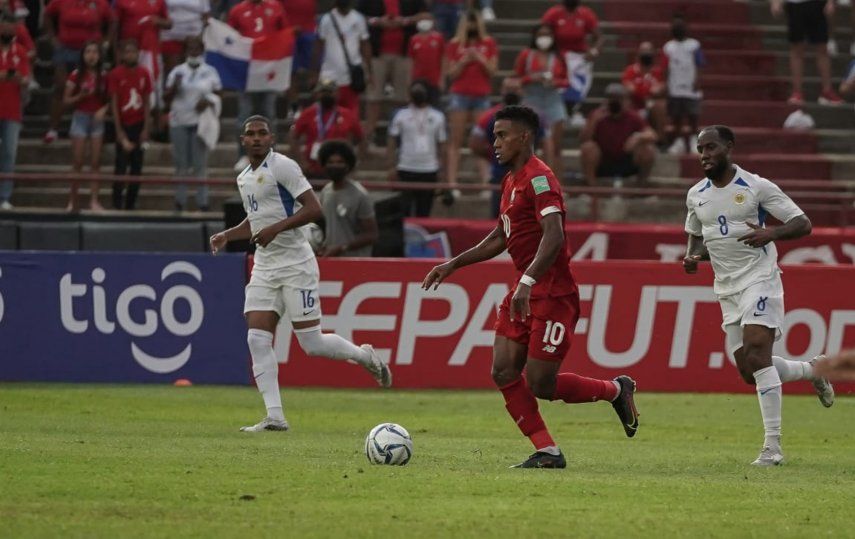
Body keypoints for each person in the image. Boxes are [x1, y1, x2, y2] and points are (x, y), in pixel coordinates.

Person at [422, 106, 640, 469]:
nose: (495, 143)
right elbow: (501, 237)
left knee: (541, 383)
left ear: (524, 137)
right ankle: (548, 451)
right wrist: (453, 264)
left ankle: (616, 390)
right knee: (503, 370)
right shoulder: (510, 180)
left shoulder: (541, 179)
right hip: (525, 289)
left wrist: (526, 281)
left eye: (502, 135)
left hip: (553, 294)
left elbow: (554, 236)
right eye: (494, 135)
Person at [209, 115, 391, 432]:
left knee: (312, 344)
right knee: (256, 338)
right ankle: (275, 416)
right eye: (249, 134)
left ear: (271, 139)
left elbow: (313, 208)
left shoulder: (283, 166)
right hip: (265, 265)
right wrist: (228, 235)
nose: (255, 138)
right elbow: (257, 220)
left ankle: (364, 356)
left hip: (295, 263)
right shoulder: (244, 178)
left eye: (261, 133)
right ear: (242, 140)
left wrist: (275, 230)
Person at [683, 125, 834, 466]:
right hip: (727, 288)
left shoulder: (756, 186)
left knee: (757, 352)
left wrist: (773, 233)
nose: (705, 155)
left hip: (760, 279)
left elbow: (803, 222)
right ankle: (813, 370)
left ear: (729, 148)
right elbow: (696, 234)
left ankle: (773, 448)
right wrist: (693, 257)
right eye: (700, 149)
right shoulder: (696, 194)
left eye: (711, 147)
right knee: (749, 370)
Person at [469, 79, 552, 217]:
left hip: (532, 174)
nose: (512, 92)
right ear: (502, 91)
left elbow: (548, 144)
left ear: (521, 91)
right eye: (508, 89)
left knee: (534, 216)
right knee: (501, 218)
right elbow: (475, 144)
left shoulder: (535, 117)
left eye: (515, 89)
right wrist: (493, 155)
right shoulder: (490, 116)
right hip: (501, 176)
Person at [42, 0, 114, 144]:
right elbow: (47, 15)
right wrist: (52, 37)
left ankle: (93, 128)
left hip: (92, 50)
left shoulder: (101, 3)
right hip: (66, 48)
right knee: (61, 87)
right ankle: (53, 129)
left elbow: (112, 21)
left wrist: (106, 42)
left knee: (97, 88)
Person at [228, 0, 287, 172]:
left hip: (269, 69)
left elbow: (284, 34)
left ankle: (271, 156)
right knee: (244, 115)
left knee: (269, 114)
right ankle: (243, 155)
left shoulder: (275, 7)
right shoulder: (237, 10)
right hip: (247, 70)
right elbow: (229, 37)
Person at [164, 35, 222, 212]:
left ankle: (202, 203)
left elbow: (220, 94)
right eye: (190, 48)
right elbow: (165, 98)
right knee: (181, 165)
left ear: (202, 50)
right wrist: (175, 86)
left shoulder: (210, 71)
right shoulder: (177, 71)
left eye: (196, 48)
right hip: (179, 121)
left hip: (200, 123)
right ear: (185, 51)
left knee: (200, 165)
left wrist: (208, 99)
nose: (193, 52)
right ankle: (179, 202)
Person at [358, 0, 426, 139]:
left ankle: (402, 139)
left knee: (403, 98)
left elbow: (426, 16)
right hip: (376, 55)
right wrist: (377, 21)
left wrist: (405, 21)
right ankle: (367, 140)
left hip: (404, 54)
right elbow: (357, 16)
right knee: (373, 99)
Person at [444, 9, 497, 187]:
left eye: (475, 23)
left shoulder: (488, 43)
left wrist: (480, 59)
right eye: (469, 23)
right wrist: (464, 61)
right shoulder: (454, 44)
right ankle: (452, 182)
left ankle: (485, 182)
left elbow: (492, 71)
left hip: (481, 95)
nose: (472, 27)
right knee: (456, 140)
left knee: (484, 140)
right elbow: (451, 73)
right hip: (459, 95)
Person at [514, 24, 568, 180]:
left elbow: (566, 81)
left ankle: (555, 182)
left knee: (555, 145)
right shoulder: (526, 55)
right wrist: (532, 78)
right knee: (530, 144)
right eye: (541, 34)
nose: (544, 38)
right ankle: (528, 181)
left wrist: (555, 82)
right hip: (532, 97)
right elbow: (517, 78)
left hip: (552, 97)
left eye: (548, 34)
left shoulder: (559, 56)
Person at [387, 79, 447, 217]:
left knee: (424, 211)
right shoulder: (400, 115)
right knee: (404, 211)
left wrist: (442, 171)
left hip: (429, 169)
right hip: (406, 168)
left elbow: (442, 145)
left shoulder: (438, 116)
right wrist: (391, 166)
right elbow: (391, 142)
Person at [579, 83, 657, 187]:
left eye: (619, 99)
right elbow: (583, 140)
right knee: (588, 148)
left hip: (626, 160)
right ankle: (593, 189)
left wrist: (638, 137)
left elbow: (652, 135)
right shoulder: (597, 116)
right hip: (603, 161)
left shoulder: (633, 116)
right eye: (612, 98)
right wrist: (593, 123)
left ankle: (640, 187)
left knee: (648, 150)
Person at [64, 41, 109, 212]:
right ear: (83, 56)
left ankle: (94, 200)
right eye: (88, 52)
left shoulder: (104, 76)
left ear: (99, 56)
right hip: (80, 117)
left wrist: (104, 110)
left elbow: (112, 100)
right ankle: (72, 200)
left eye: (95, 52)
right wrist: (80, 96)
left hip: (97, 119)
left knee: (96, 162)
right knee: (78, 161)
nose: (91, 56)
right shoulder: (76, 75)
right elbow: (66, 100)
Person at [540, 0, 602, 126]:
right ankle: (557, 112)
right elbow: (542, 33)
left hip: (579, 57)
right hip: (558, 56)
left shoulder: (586, 14)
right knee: (558, 85)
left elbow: (599, 37)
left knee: (578, 86)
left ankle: (571, 111)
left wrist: (594, 51)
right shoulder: (553, 13)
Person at [290, 79, 366, 178]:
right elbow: (293, 137)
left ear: (337, 94)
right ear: (316, 94)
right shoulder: (307, 113)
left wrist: (355, 162)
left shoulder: (347, 114)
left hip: (340, 170)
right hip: (312, 169)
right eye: (323, 92)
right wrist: (302, 162)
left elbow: (362, 139)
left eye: (330, 92)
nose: (327, 95)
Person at [109, 39, 153, 210]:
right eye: (127, 52)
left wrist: (146, 128)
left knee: (137, 168)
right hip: (123, 125)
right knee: (120, 166)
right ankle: (117, 204)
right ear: (122, 55)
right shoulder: (116, 74)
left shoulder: (144, 73)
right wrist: (119, 133)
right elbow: (114, 104)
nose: (130, 55)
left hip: (139, 124)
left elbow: (148, 102)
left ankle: (131, 203)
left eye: (133, 52)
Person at [771, 0, 843, 105]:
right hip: (795, 4)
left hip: (817, 4)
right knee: (796, 48)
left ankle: (827, 91)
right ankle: (797, 92)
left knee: (822, 47)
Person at [317, 140, 378, 257]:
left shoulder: (360, 195)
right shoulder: (326, 191)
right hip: (331, 259)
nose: (335, 166)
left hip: (356, 261)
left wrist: (342, 247)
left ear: (348, 165)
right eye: (330, 162)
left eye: (340, 162)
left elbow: (372, 234)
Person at [314, 0, 372, 117]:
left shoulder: (358, 18)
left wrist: (369, 70)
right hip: (329, 74)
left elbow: (365, 44)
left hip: (351, 75)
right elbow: (319, 45)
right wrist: (314, 70)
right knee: (326, 112)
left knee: (351, 114)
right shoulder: (326, 19)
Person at [662, 16, 704, 155]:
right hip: (675, 87)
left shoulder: (694, 45)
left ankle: (694, 141)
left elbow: (699, 64)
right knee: (676, 117)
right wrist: (667, 85)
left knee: (693, 116)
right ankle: (679, 142)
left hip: (690, 87)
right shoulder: (668, 47)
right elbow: (665, 67)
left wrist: (697, 81)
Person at [0, 11, 28, 211]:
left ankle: (4, 197)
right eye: (5, 27)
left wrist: (19, 78)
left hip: (12, 111)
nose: (8, 30)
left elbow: (26, 79)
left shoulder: (20, 52)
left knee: (9, 154)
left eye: (12, 27)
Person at [621, 41, 667, 144]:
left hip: (650, 106)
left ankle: (660, 141)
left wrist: (640, 90)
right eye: (643, 51)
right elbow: (629, 89)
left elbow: (660, 89)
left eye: (648, 51)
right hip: (635, 105)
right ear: (638, 54)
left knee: (661, 105)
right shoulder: (630, 71)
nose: (646, 54)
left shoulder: (657, 72)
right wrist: (647, 91)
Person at [160, 0, 210, 77]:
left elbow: (206, 15)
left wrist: (201, 35)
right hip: (170, 36)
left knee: (191, 70)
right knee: (172, 71)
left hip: (194, 36)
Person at [406, 14, 444, 104]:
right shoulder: (413, 39)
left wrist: (442, 79)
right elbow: (411, 61)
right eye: (422, 19)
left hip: (434, 79)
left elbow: (443, 59)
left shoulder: (439, 38)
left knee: (434, 104)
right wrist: (409, 81)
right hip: (417, 79)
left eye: (427, 19)